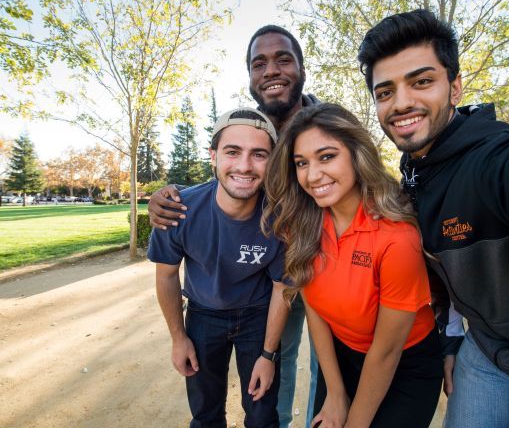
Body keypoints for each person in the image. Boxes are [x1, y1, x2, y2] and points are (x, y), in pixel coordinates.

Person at [357, 9, 509, 426]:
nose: (402, 102)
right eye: (385, 92)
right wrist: (454, 341)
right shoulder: (413, 178)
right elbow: (451, 277)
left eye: (421, 82)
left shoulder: (508, 160)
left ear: (455, 87)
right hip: (488, 352)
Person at [148, 25, 319, 427]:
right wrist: (164, 199)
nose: (271, 70)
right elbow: (227, 179)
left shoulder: (325, 123)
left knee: (328, 367)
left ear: (301, 68)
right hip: (272, 277)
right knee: (277, 363)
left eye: (283, 59)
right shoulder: (249, 132)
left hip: (329, 260)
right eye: (259, 63)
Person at [263, 103, 443, 427]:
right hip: (342, 357)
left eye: (327, 156)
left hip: (404, 365)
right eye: (301, 163)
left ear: (356, 153)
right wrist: (335, 391)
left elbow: (386, 353)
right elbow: (315, 308)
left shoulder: (397, 239)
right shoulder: (303, 225)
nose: (312, 175)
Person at [148, 108, 289, 427]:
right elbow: (167, 275)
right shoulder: (177, 210)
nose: (244, 165)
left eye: (258, 154)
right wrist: (178, 337)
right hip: (202, 315)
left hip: (257, 314)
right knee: (205, 412)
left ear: (271, 162)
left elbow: (283, 288)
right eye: (232, 151)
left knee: (262, 413)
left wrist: (268, 356)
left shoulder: (281, 219)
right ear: (213, 156)